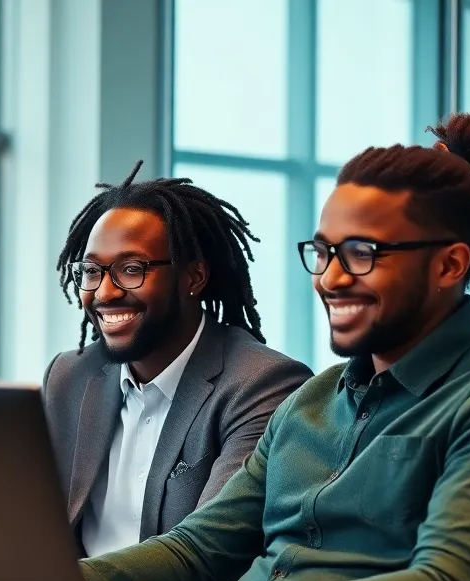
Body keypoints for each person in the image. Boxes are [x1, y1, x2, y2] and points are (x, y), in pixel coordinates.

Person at [82, 113, 470, 581]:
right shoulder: (312, 401)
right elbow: (200, 551)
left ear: (448, 266)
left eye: (362, 254)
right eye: (323, 253)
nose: (330, 278)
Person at [42, 163, 312, 558]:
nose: (105, 292)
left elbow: (205, 555)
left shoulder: (264, 384)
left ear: (193, 277)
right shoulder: (69, 376)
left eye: (131, 270)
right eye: (91, 271)